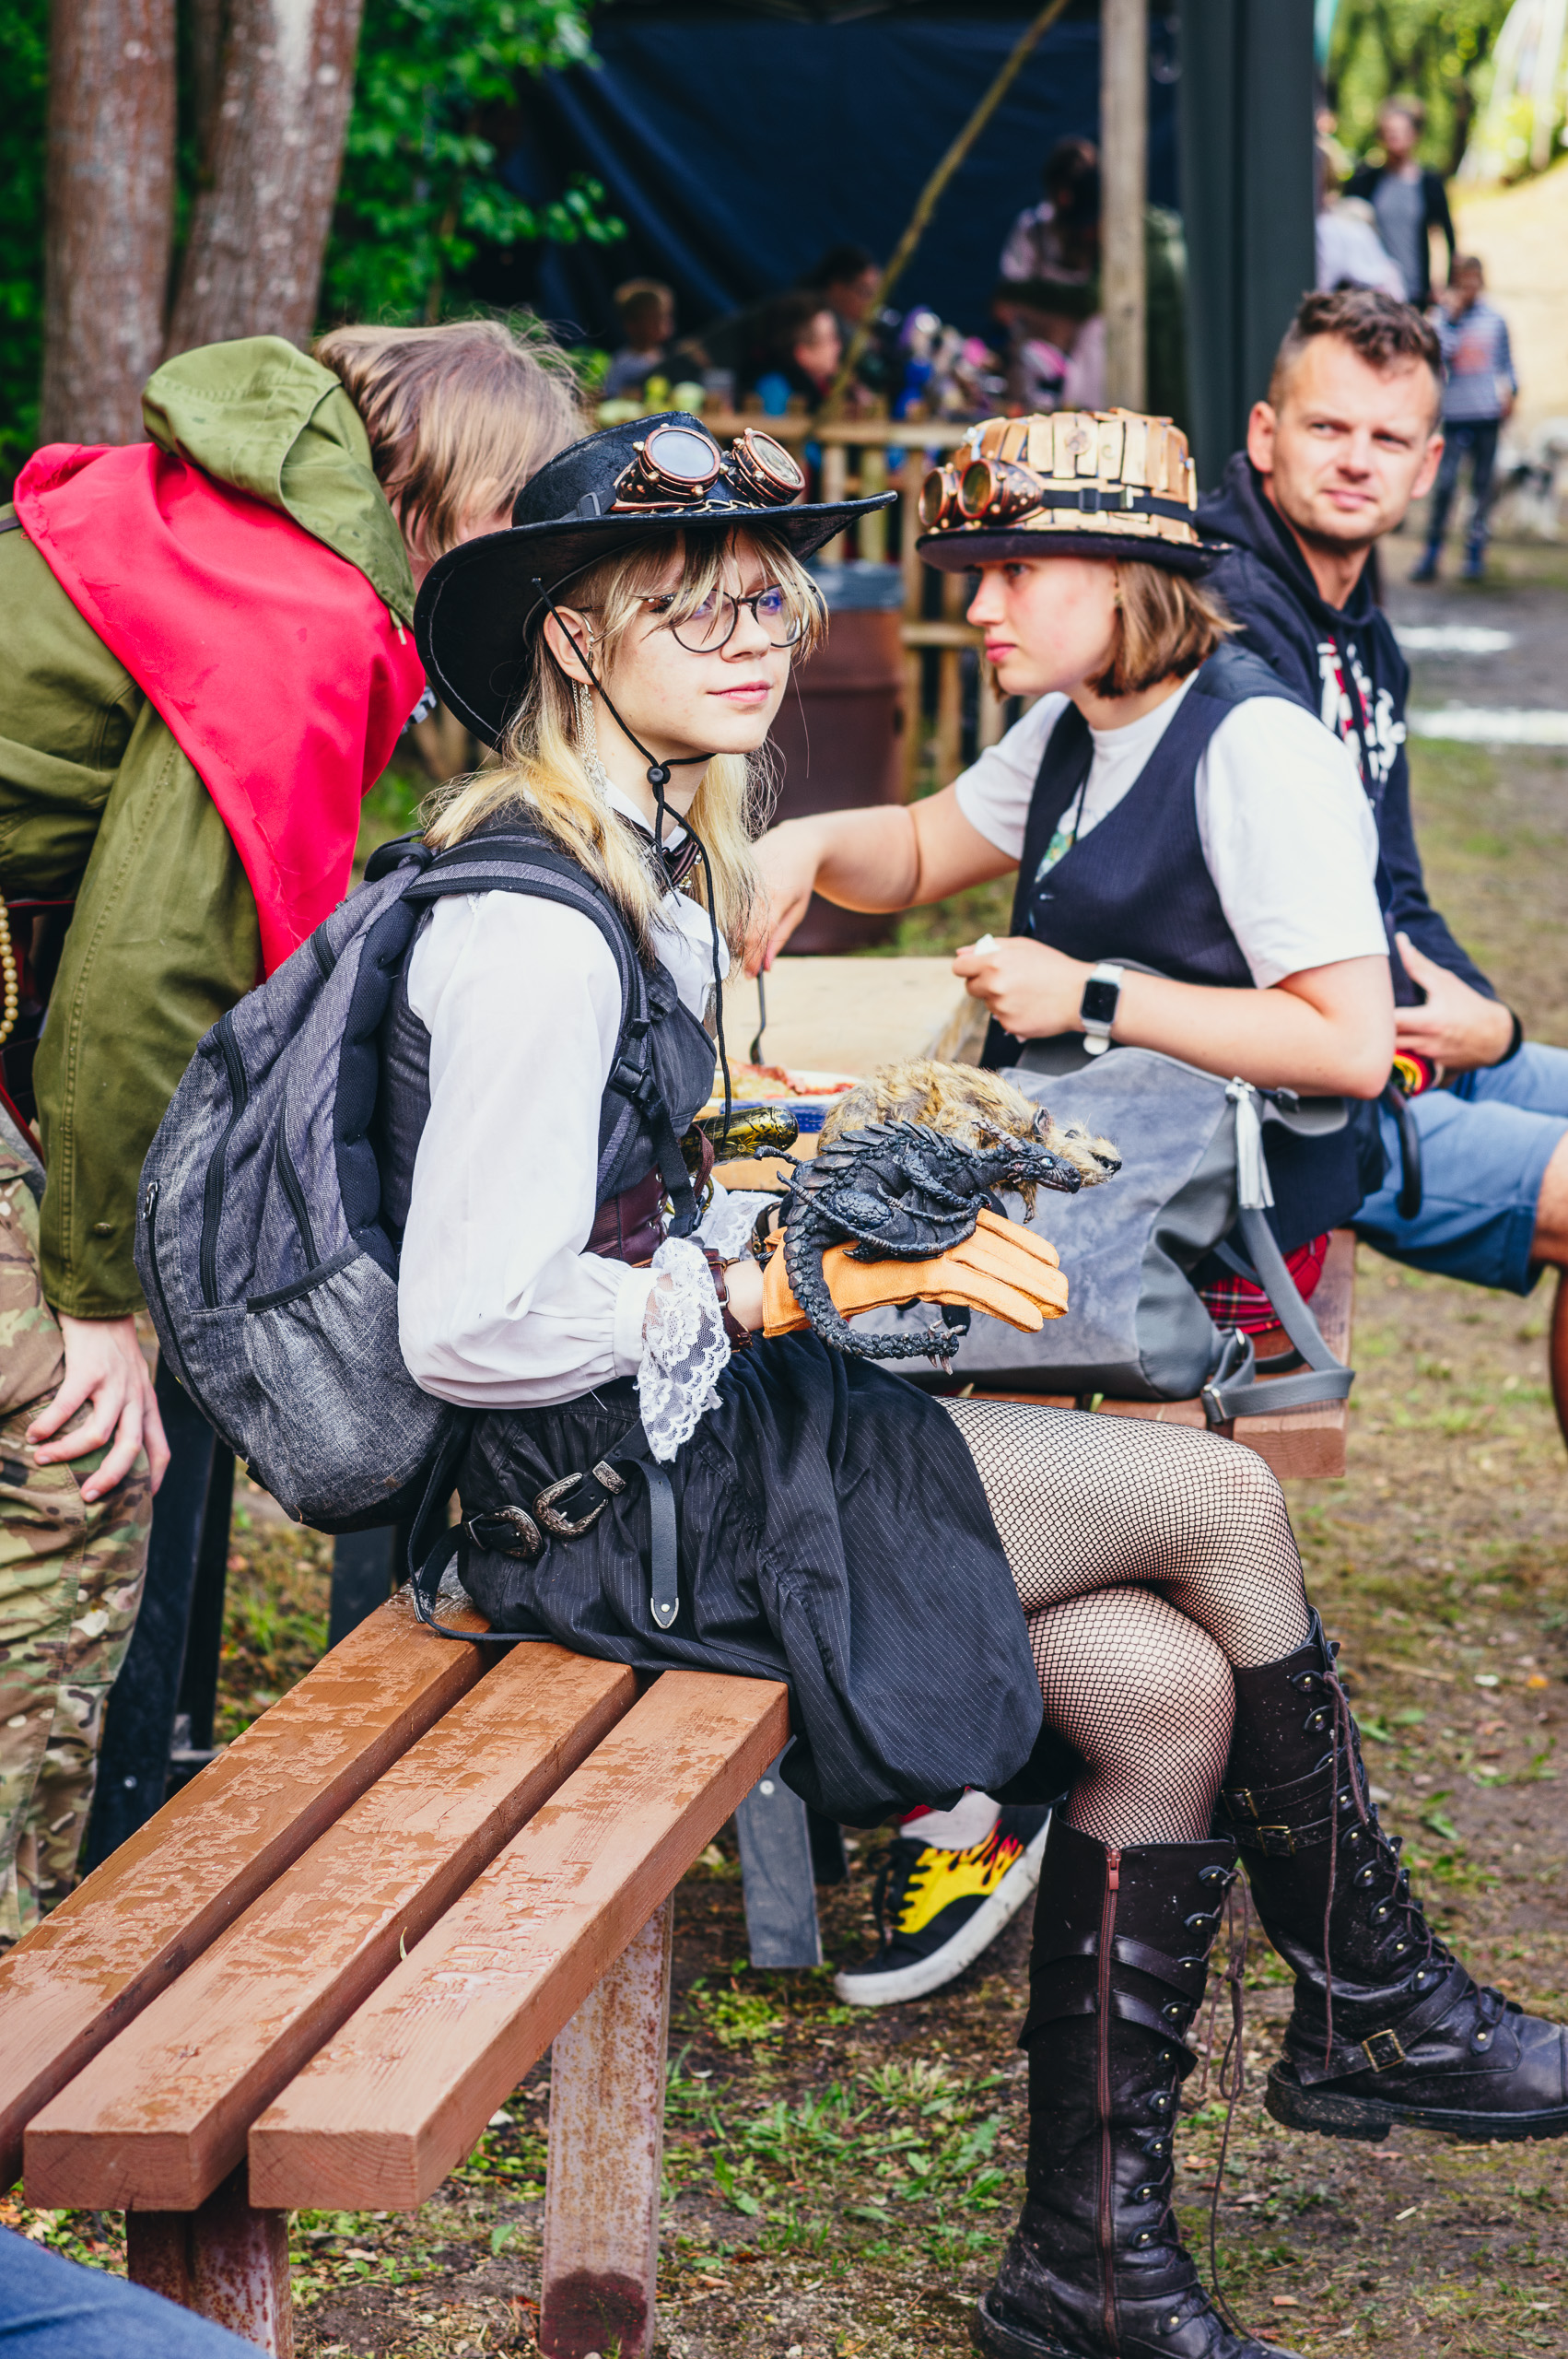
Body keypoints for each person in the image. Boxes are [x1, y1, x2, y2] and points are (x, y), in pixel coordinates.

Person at [408, 409, 1566, 2359]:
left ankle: (1085, 2267)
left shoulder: (641, 862)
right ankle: (1367, 1987)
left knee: (1171, 1685)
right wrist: (782, 1265)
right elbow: (468, 1325)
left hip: (713, 1435)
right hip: (617, 1510)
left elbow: (1341, 1043)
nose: (767, 625)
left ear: (1127, 573)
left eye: (769, 587)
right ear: (574, 642)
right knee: (1218, 1500)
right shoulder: (538, 910)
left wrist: (779, 1192)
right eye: (695, 601)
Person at [0, 317, 581, 1948]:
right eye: (522, 537)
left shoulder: (210, 520)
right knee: (63, 1464)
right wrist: (101, 1304)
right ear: (450, 497)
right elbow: (147, 976)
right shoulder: (298, 615)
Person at [1197, 287, 1568, 1447]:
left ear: (1426, 463)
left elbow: (1395, 887)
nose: (1355, 462)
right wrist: (1477, 1040)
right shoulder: (1221, 623)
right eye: (1326, 428)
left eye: (1386, 437)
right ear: (1265, 436)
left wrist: (1486, 1023)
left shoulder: (1358, 626)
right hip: (1291, 1105)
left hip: (1392, 1045)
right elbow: (1244, 943)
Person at [1412, 255, 1516, 582]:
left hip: (1487, 413)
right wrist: (1453, 319)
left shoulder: (1495, 319)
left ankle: (1475, 553)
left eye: (1475, 280)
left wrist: (1512, 392)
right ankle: (1432, 552)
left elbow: (1506, 363)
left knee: (1482, 487)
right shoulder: (1440, 319)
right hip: (1455, 413)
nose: (1469, 288)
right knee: (1445, 486)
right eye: (1463, 281)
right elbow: (1440, 354)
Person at [1344, 97, 1455, 307]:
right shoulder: (1364, 181)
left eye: (1401, 131)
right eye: (1389, 132)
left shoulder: (1430, 184)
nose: (1394, 138)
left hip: (1415, 294)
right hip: (1372, 295)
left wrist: (1444, 286)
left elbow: (1447, 238)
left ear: (1415, 135)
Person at [603, 278, 678, 400]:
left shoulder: (666, 356)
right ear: (632, 325)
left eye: (666, 316)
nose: (663, 324)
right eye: (654, 319)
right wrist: (634, 395)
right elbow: (610, 393)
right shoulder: (622, 362)